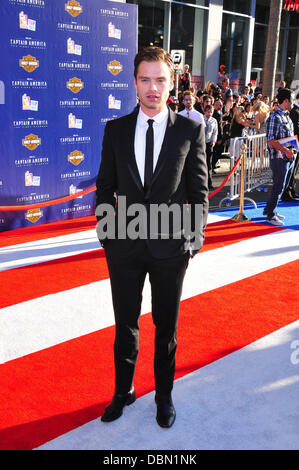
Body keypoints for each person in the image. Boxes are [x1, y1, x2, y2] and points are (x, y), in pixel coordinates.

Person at [96, 47, 209, 428]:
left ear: (171, 83)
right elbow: (104, 188)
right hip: (124, 246)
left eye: (160, 79)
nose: (152, 88)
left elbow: (199, 192)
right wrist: (107, 237)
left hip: (170, 249)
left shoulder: (190, 131)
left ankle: (163, 397)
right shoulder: (115, 130)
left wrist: (193, 241)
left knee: (166, 327)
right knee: (125, 324)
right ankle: (123, 391)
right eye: (145, 79)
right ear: (134, 83)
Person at [263, 88, 296, 225]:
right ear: (286, 100)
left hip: (288, 157)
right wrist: (285, 150)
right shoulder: (274, 117)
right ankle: (270, 215)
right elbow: (270, 140)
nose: (293, 102)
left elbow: (289, 137)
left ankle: (271, 210)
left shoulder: (286, 116)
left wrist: (292, 150)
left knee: (283, 185)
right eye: (292, 99)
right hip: (278, 158)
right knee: (278, 186)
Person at [281, 91, 299, 201]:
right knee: (291, 169)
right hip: (293, 144)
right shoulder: (294, 112)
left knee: (294, 169)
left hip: (296, 144)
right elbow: (295, 129)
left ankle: (291, 189)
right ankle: (287, 191)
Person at [203, 104, 218, 190]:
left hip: (209, 144)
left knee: (209, 164)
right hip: (201, 143)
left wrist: (213, 141)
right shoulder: (201, 118)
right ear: (205, 111)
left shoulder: (214, 121)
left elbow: (215, 132)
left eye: (211, 112)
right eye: (208, 111)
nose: (209, 113)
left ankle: (209, 183)